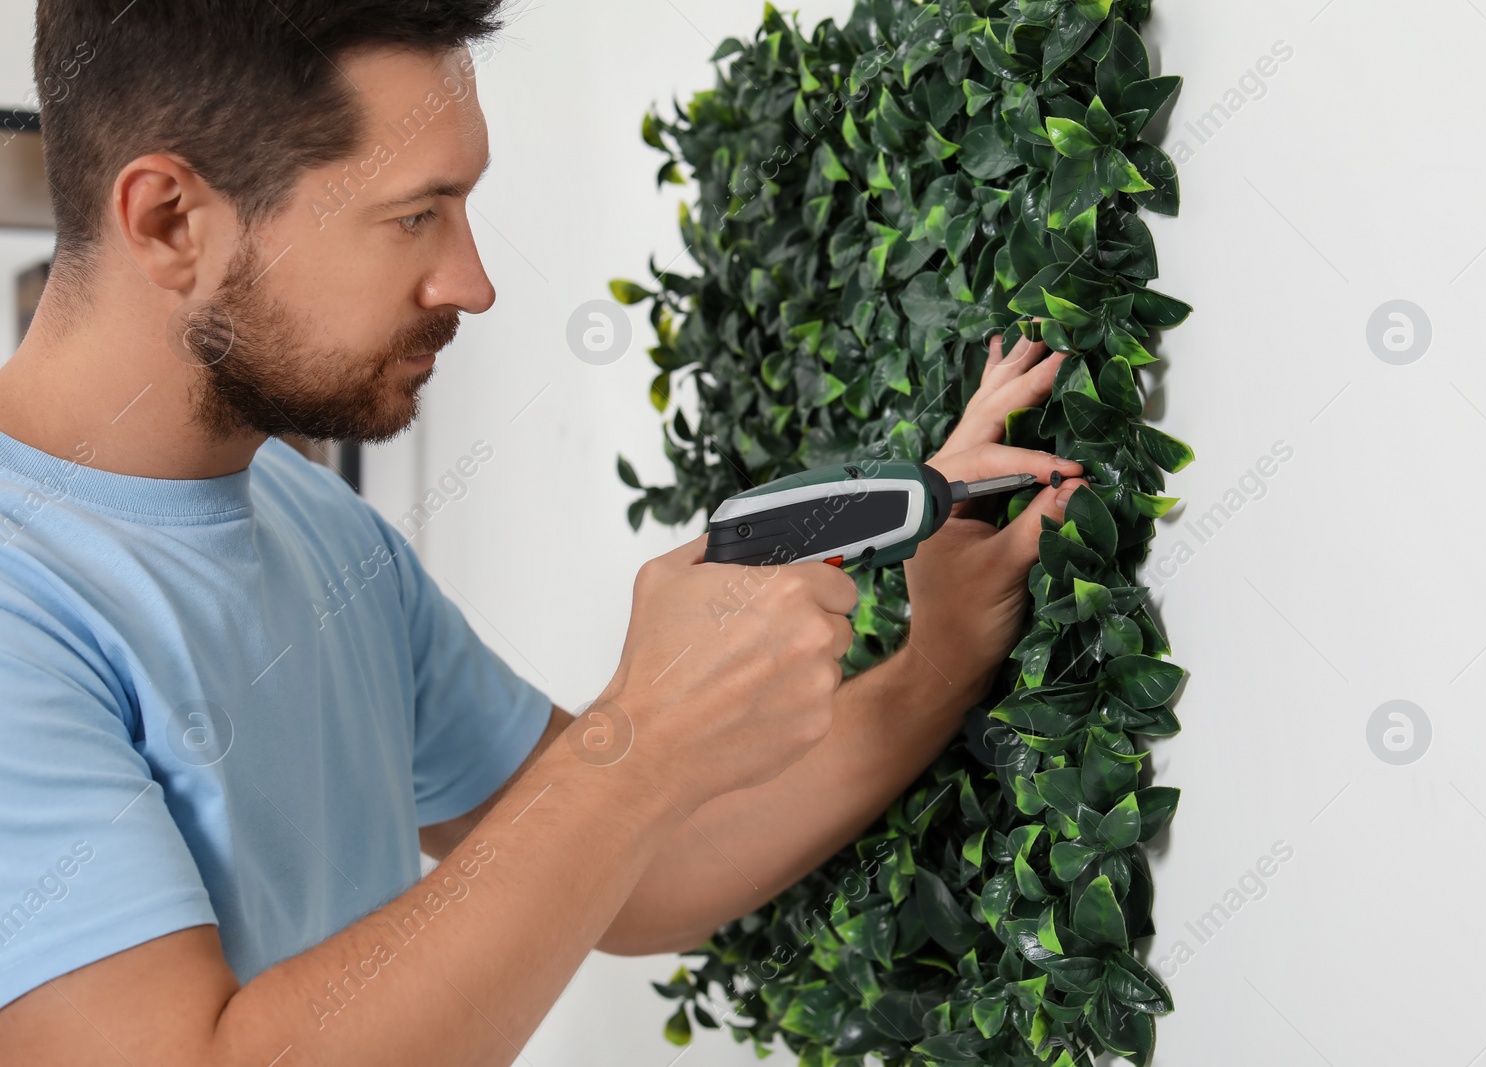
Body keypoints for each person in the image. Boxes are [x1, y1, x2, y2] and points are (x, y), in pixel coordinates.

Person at [0, 1, 1088, 1063]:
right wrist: (641, 738)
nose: (471, 284)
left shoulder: (315, 522)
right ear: (169, 221)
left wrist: (937, 657)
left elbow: (638, 867)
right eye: (415, 213)